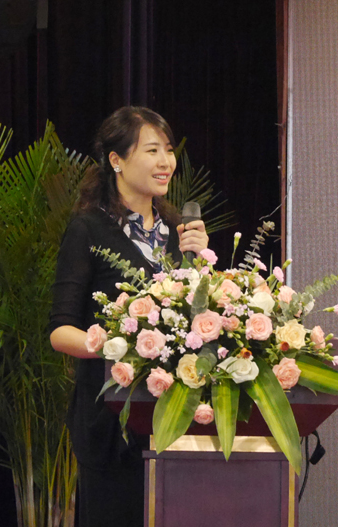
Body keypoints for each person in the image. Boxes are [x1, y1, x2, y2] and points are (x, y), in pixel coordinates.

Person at [49, 107, 208, 526]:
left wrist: (202, 262)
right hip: (110, 422)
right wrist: (118, 345)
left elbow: (199, 321)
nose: (165, 161)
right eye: (152, 150)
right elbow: (60, 330)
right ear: (116, 160)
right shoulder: (88, 229)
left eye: (168, 150)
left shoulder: (178, 233)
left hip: (174, 416)